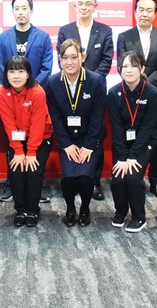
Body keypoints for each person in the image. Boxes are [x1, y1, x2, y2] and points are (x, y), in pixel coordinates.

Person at [0, 0, 53, 203]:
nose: (21, 12)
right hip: (12, 98)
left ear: (31, 11)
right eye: (17, 8)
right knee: (13, 142)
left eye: (24, 8)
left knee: (36, 137)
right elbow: (0, 66)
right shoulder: (3, 38)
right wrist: (13, 85)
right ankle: (11, 184)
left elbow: (47, 66)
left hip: (35, 96)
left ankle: (37, 184)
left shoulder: (43, 37)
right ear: (12, 12)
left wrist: (31, 86)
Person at [57, 0, 113, 201]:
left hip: (95, 90)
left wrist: (90, 80)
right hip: (70, 90)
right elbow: (62, 59)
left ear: (95, 6)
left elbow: (107, 60)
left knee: (96, 132)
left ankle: (94, 181)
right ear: (74, 6)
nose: (84, 7)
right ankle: (74, 178)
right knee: (73, 133)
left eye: (88, 4)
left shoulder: (105, 30)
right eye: (80, 3)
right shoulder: (65, 30)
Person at [117, 0, 157, 200]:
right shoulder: (124, 36)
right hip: (130, 97)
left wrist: (146, 82)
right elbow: (122, 63)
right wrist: (138, 82)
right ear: (135, 12)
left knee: (155, 137)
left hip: (156, 95)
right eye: (141, 9)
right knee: (131, 135)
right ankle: (132, 174)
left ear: (155, 13)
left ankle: (156, 180)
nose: (145, 14)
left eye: (149, 10)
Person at [45, 39, 106, 227]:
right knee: (69, 178)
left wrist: (88, 146)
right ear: (60, 59)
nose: (69, 62)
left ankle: (85, 208)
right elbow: (56, 118)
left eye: (74, 57)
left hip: (90, 139)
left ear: (83, 57)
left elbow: (97, 117)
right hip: (67, 140)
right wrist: (66, 144)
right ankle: (70, 209)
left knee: (86, 177)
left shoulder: (96, 81)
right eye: (65, 58)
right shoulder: (52, 82)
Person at [106, 51, 157, 233]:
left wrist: (133, 156)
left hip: (144, 142)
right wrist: (122, 156)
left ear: (142, 68)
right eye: (125, 66)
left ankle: (139, 217)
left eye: (134, 66)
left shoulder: (152, 93)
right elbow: (116, 128)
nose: (129, 70)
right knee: (118, 178)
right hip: (122, 142)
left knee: (133, 177)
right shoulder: (113, 93)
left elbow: (148, 128)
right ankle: (120, 211)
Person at [0, 56, 53, 227]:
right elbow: (9, 124)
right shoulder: (1, 93)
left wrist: (31, 152)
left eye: (21, 71)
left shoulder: (38, 92)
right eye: (12, 72)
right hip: (17, 139)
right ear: (6, 74)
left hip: (40, 137)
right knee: (17, 171)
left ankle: (33, 210)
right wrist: (19, 151)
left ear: (28, 74)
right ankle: (21, 210)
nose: (16, 76)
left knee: (33, 171)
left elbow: (38, 124)